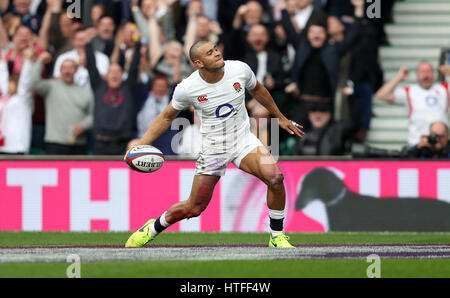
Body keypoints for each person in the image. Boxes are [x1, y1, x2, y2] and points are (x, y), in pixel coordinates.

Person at [124, 41, 304, 248]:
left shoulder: (239, 69)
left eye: (216, 49)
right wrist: (140, 144)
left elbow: (258, 90)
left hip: (243, 139)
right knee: (194, 208)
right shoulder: (188, 88)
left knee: (275, 178)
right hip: (214, 147)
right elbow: (166, 117)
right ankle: (153, 227)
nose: (217, 54)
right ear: (199, 63)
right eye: (210, 53)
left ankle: (276, 236)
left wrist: (280, 117)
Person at [30, 52, 94, 155]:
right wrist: (40, 62)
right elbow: (33, 84)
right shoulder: (51, 87)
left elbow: (93, 115)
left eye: (70, 68)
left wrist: (83, 125)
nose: (67, 71)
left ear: (76, 70)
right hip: (55, 143)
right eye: (64, 68)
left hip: (78, 144)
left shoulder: (86, 91)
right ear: (60, 71)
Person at [375, 62, 450, 146]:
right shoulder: (410, 91)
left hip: (441, 145)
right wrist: (399, 77)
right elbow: (381, 95)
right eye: (422, 71)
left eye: (428, 71)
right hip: (417, 144)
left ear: (434, 74)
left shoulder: (444, 88)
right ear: (417, 74)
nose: (426, 75)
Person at [0, 46, 33, 154]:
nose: (9, 85)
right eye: (9, 82)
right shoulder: (4, 99)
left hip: (17, 147)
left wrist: (27, 62)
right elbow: (3, 82)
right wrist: (3, 61)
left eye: (13, 82)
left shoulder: (23, 100)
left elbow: (25, 83)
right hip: (2, 146)